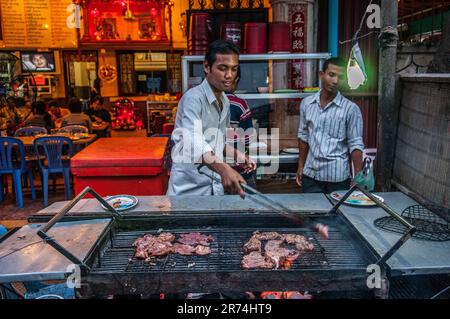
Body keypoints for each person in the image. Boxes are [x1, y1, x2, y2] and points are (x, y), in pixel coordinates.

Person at [167, 40, 256, 197]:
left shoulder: (225, 102)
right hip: (188, 191)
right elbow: (193, 141)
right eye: (223, 68)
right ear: (207, 67)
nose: (229, 75)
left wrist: (237, 154)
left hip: (213, 189)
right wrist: (223, 168)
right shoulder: (193, 99)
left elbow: (215, 142)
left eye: (234, 69)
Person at [296, 57, 364, 194]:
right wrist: (300, 166)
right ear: (322, 75)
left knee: (337, 215)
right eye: (331, 75)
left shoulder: (351, 109)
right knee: (312, 214)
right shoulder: (307, 104)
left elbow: (355, 144)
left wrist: (358, 178)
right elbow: (303, 136)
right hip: (311, 175)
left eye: (341, 77)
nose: (335, 81)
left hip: (337, 178)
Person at [225, 67, 257, 188]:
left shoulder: (204, 102)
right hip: (236, 170)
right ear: (236, 80)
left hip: (212, 173)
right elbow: (247, 139)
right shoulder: (239, 104)